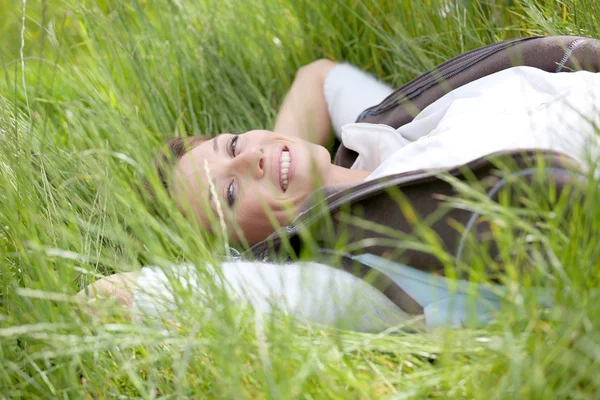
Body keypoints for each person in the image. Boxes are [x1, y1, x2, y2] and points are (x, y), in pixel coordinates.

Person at [78, 36, 600, 331]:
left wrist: (276, 165)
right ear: (255, 250)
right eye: (230, 194)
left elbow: (320, 78)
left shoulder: (382, 133)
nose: (251, 159)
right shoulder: (373, 266)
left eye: (233, 144)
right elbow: (111, 297)